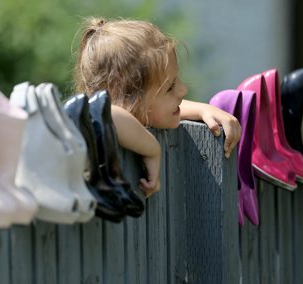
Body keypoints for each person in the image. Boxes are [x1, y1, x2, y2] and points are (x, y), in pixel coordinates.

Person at [74, 18, 241, 198]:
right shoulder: (87, 124)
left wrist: (202, 109)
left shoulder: (134, 112)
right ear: (126, 99)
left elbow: (148, 109)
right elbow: (106, 113)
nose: (184, 89)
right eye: (169, 88)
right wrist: (152, 149)